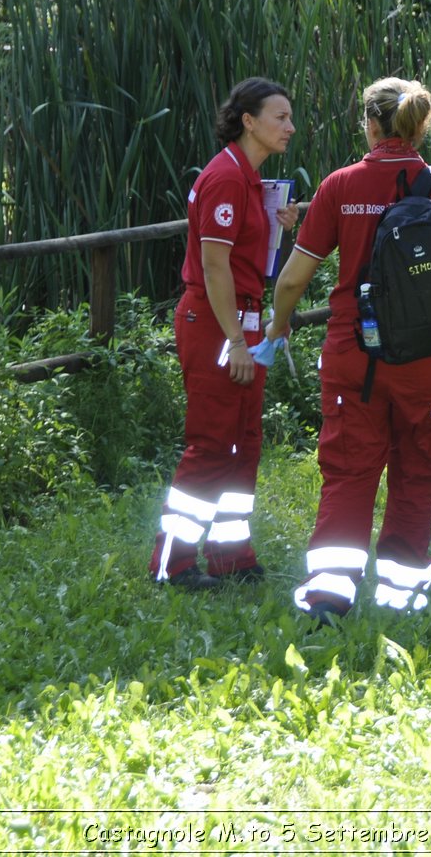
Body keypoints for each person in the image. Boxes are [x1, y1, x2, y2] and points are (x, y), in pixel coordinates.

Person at [265, 78, 431, 619]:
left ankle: (330, 593)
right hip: (429, 359)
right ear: (421, 126)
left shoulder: (341, 185)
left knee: (349, 469)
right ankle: (402, 593)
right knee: (419, 469)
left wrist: (279, 326)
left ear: (370, 123)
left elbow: (293, 279)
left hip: (356, 354)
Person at [149, 77, 299, 590]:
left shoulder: (252, 181)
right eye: (280, 117)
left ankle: (231, 554)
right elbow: (214, 268)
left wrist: (279, 223)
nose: (290, 127)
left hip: (244, 320)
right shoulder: (226, 179)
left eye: (290, 117)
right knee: (212, 444)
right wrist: (234, 339)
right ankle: (172, 563)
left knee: (244, 443)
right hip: (217, 322)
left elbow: (245, 255)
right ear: (249, 121)